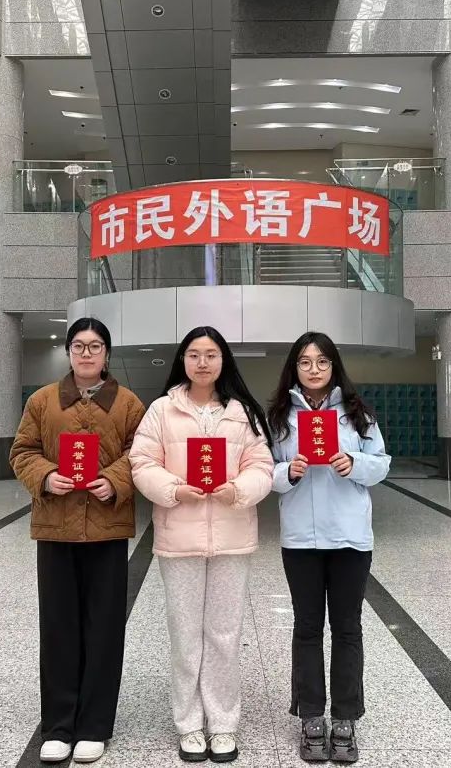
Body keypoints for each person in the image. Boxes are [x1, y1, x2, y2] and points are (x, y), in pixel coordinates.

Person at [130, 326, 274, 764]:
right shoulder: (161, 410)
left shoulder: (242, 412)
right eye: (194, 354)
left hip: (232, 539)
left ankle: (223, 723)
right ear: (183, 360)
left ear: (223, 360)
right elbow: (142, 462)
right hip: (180, 538)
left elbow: (262, 465)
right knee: (185, 634)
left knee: (225, 634)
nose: (203, 362)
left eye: (211, 354)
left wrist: (240, 489)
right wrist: (174, 489)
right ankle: (189, 724)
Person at [10, 317, 145, 765]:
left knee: (104, 627)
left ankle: (94, 725)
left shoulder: (128, 404)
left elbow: (142, 453)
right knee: (59, 626)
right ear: (69, 352)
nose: (87, 353)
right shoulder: (42, 401)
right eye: (79, 346)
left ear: (107, 354)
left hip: (108, 528)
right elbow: (22, 451)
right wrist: (47, 476)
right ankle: (59, 725)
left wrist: (115, 480)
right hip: (57, 527)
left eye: (95, 346)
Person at [266, 332, 391, 764]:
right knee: (306, 628)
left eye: (322, 361)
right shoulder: (280, 417)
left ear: (334, 366)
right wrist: (288, 472)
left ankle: (345, 718)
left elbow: (382, 464)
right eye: (305, 362)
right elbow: (265, 470)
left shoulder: (358, 414)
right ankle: (311, 717)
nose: (314, 369)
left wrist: (353, 463)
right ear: (294, 368)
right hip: (300, 538)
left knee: (347, 627)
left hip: (350, 537)